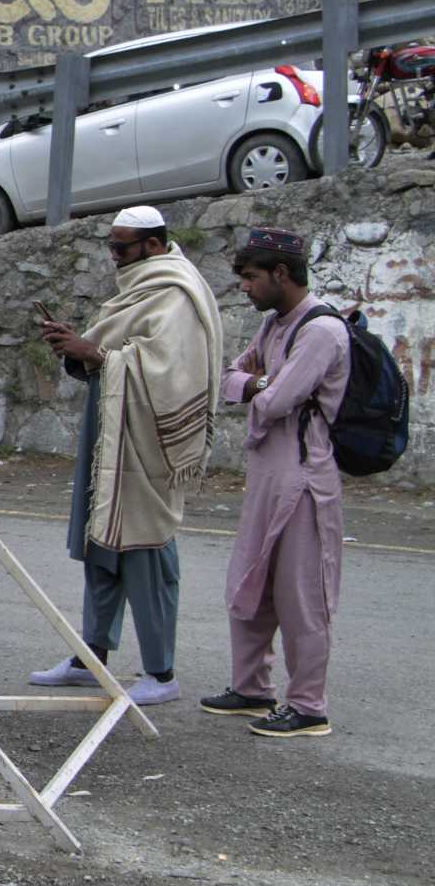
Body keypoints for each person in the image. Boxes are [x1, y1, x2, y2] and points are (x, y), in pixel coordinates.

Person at [29, 206, 221, 707]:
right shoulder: (140, 289)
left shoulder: (175, 293)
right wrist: (79, 348)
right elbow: (116, 354)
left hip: (148, 441)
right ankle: (91, 659)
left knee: (146, 552)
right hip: (111, 432)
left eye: (122, 247)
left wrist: (93, 353)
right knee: (102, 547)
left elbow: (171, 374)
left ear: (153, 245)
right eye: (111, 246)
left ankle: (161, 672)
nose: (114, 256)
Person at [202, 228, 350, 738]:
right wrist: (259, 380)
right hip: (267, 471)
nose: (244, 287)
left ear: (280, 274)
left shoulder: (322, 331)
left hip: (304, 478)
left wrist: (259, 384)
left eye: (250, 277)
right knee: (249, 580)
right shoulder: (273, 327)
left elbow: (278, 401)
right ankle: (252, 687)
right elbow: (227, 380)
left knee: (301, 593)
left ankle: (309, 705)